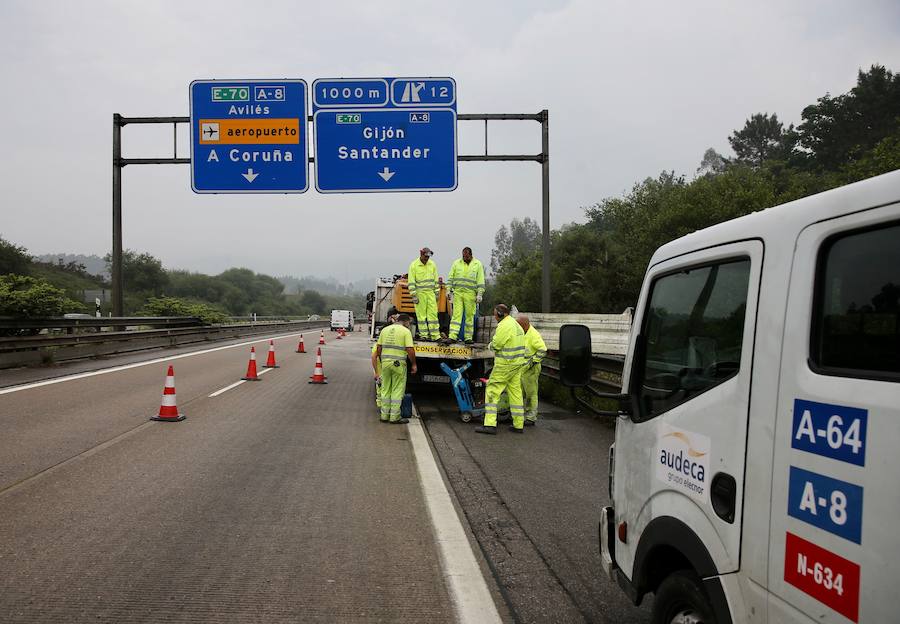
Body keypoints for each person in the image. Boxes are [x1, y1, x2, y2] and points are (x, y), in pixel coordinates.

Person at [475, 304, 526, 435]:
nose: (494, 316)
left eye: (494, 314)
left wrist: (490, 345)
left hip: (505, 364)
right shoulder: (516, 325)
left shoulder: (504, 326)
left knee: (492, 390)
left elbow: (497, 345)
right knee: (515, 393)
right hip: (516, 364)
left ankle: (490, 425)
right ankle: (518, 424)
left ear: (500, 314)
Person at [375, 313, 417, 424]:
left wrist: (381, 360)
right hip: (398, 364)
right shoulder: (406, 331)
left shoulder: (385, 330)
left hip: (385, 363)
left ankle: (384, 416)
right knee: (397, 389)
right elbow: (410, 349)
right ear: (406, 321)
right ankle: (394, 417)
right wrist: (413, 364)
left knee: (385, 388)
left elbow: (379, 348)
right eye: (409, 323)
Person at [447, 247, 485, 344]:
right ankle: (452, 336)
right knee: (456, 315)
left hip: (470, 294)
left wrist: (480, 293)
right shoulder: (456, 263)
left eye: (466, 256)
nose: (465, 258)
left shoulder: (477, 264)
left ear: (471, 255)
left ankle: (468, 337)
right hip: (458, 293)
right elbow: (450, 277)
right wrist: (448, 290)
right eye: (463, 256)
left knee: (469, 316)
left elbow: (480, 280)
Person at [517, 315, 547, 426]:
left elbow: (542, 350)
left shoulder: (533, 335)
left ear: (524, 325)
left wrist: (533, 362)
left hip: (531, 369)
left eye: (518, 325)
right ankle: (518, 414)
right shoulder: (522, 332)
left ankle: (531, 417)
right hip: (522, 367)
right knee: (519, 392)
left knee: (531, 393)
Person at [408, 247, 440, 341]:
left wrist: (437, 292)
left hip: (430, 293)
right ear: (421, 254)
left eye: (428, 257)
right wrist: (413, 295)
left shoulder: (432, 264)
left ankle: (435, 335)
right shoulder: (414, 265)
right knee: (421, 316)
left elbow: (436, 279)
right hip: (420, 294)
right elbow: (411, 281)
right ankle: (424, 335)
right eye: (425, 257)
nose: (427, 259)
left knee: (433, 315)